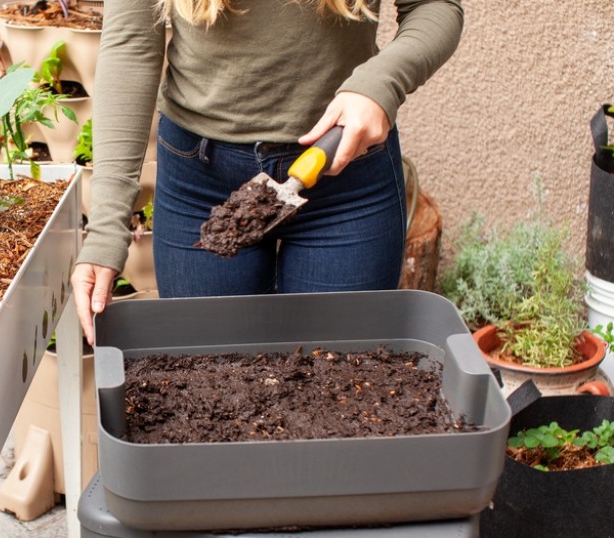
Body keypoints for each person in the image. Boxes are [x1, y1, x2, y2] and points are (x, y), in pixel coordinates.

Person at [71, 0, 463, 344]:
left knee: (336, 394)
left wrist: (381, 83)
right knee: (214, 389)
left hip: (344, 179)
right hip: (201, 186)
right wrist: (107, 226)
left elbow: (435, 5)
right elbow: (132, 44)